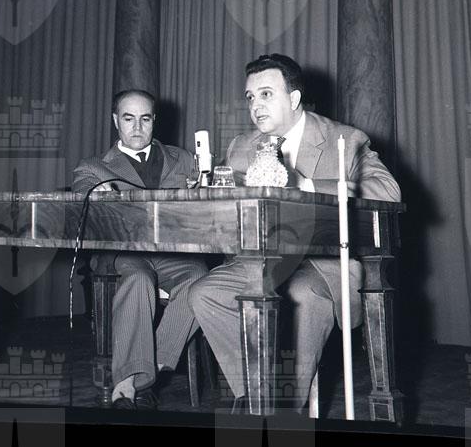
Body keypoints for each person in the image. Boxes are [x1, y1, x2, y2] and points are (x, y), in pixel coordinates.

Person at [189, 54, 401, 412]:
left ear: (294, 98)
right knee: (205, 292)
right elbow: (223, 204)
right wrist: (206, 190)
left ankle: (286, 407)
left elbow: (389, 192)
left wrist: (307, 184)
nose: (255, 105)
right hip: (263, 260)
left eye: (266, 94)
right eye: (250, 97)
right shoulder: (241, 147)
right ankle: (255, 396)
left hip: (324, 264)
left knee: (302, 295)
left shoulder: (344, 139)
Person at [73, 89, 207, 410]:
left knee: (201, 278)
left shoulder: (184, 160)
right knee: (138, 279)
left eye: (144, 119)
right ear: (115, 121)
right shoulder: (94, 167)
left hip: (173, 253)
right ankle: (124, 389)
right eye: (128, 118)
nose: (137, 127)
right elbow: (80, 197)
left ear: (154, 121)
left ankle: (143, 375)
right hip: (124, 253)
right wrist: (95, 194)